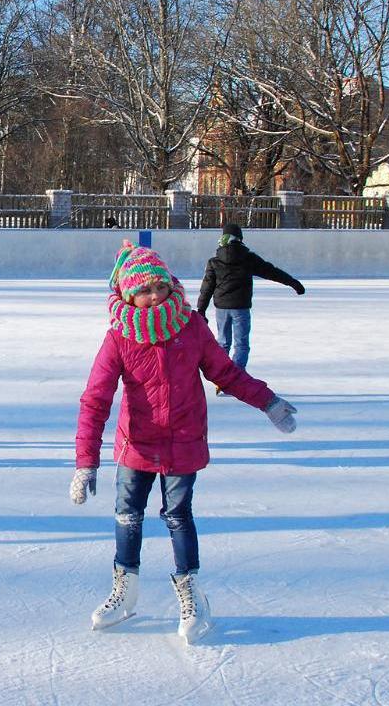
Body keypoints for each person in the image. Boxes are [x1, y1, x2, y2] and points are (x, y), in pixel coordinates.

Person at [71, 240, 298, 644]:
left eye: (159, 286)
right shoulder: (119, 337)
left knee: (177, 516)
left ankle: (191, 592)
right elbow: (95, 399)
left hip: (183, 441)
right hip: (135, 445)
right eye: (143, 290)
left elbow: (226, 373)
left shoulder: (191, 326)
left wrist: (267, 400)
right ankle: (127, 590)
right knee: (128, 515)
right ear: (127, 294)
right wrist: (85, 461)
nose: (154, 296)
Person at [195, 223, 304, 377]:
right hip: (241, 307)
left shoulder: (214, 261)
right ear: (240, 239)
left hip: (222, 308)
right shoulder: (248, 258)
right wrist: (293, 282)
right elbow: (271, 272)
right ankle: (236, 377)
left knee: (223, 343)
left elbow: (206, 288)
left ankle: (221, 376)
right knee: (241, 344)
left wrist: (201, 310)